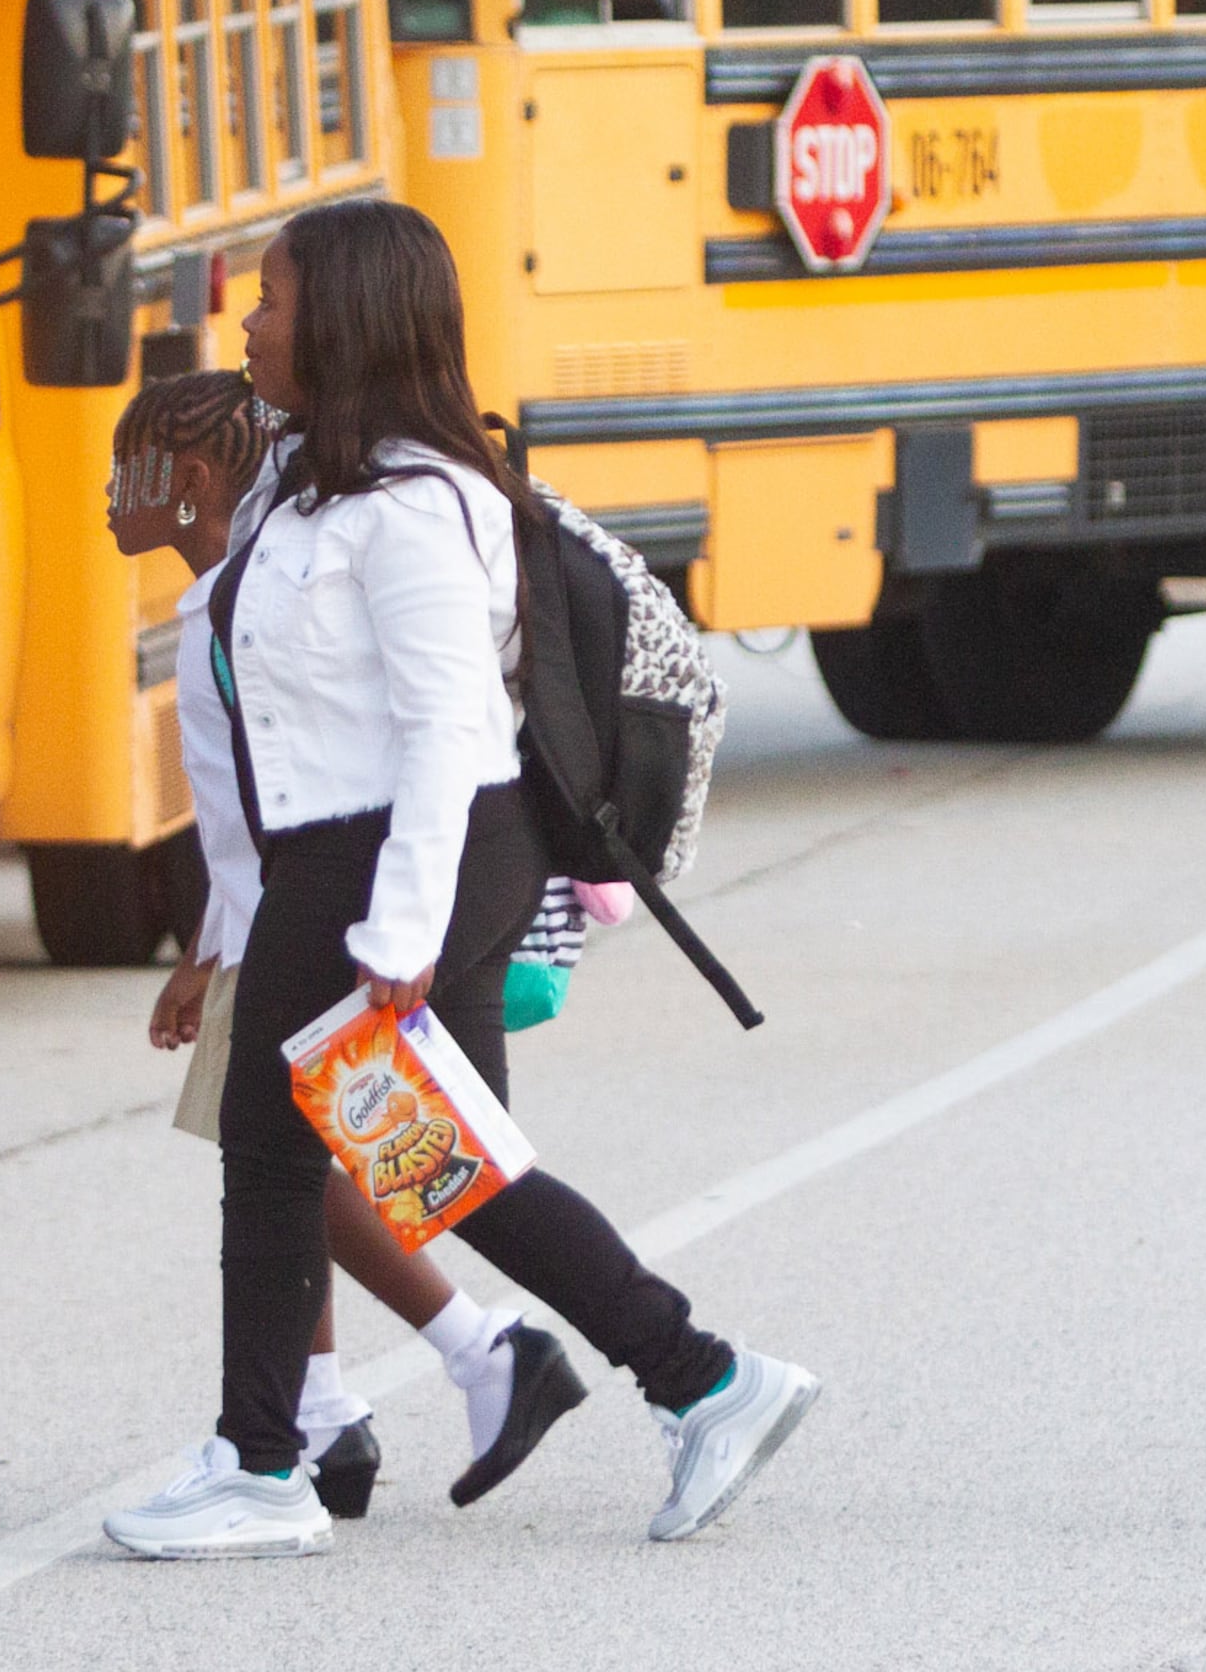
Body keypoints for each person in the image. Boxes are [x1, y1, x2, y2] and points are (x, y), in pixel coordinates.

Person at [102, 199, 818, 1560]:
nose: (247, 322)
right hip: (347, 850)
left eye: (272, 299)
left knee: (284, 1156)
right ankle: (698, 1381)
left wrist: (402, 924)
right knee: (439, 1169)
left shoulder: (417, 508)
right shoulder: (316, 486)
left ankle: (265, 1468)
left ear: (348, 322)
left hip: (401, 852)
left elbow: (449, 725)